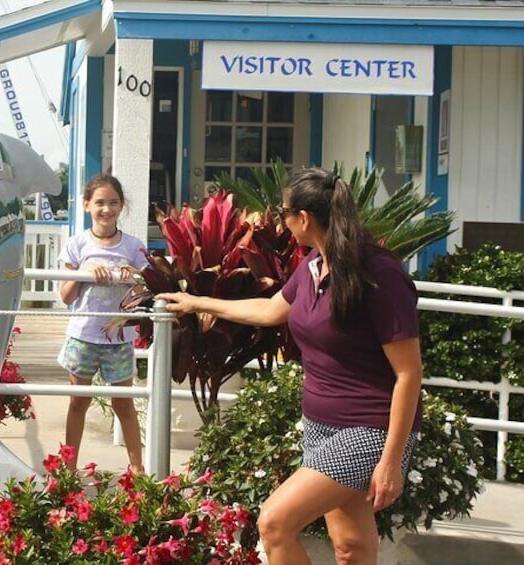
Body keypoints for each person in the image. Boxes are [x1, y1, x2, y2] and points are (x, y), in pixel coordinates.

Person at [158, 167, 422, 565]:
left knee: (274, 523)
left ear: (304, 219)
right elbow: (270, 310)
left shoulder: (379, 275)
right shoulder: (315, 265)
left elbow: (409, 373)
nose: (281, 222)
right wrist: (199, 303)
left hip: (371, 428)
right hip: (321, 424)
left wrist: (390, 461)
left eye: (283, 213)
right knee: (352, 548)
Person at [57, 174, 149, 474]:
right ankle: (68, 470)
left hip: (119, 340)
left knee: (124, 405)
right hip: (83, 337)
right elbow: (65, 296)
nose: (106, 209)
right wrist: (82, 272)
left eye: (113, 202)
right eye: (99, 203)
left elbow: (144, 293)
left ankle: (138, 471)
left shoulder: (134, 246)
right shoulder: (77, 244)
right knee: (77, 404)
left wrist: (133, 276)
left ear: (121, 206)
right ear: (86, 205)